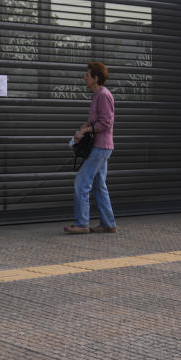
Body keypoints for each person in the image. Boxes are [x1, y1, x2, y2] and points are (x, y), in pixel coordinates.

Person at [64, 61, 116, 234]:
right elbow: (96, 121)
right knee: (98, 185)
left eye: (87, 75)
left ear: (95, 77)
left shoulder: (103, 95)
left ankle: (82, 224)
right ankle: (108, 223)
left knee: (81, 183)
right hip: (100, 146)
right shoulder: (96, 96)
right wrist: (83, 128)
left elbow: (106, 123)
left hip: (101, 147)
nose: (84, 78)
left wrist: (87, 129)